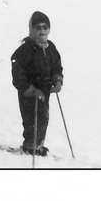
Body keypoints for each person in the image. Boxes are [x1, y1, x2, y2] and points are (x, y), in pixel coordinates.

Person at [10, 11, 63, 156]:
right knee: (31, 119)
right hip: (29, 92)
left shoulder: (50, 47)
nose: (42, 31)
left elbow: (56, 66)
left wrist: (57, 79)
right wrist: (29, 89)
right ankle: (30, 145)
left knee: (43, 118)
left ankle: (38, 144)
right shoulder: (25, 49)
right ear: (31, 30)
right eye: (38, 28)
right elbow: (17, 72)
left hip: (44, 90)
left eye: (45, 27)